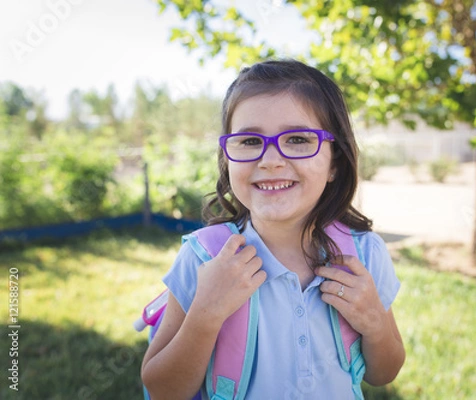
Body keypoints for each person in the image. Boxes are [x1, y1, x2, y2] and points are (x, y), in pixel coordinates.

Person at [141, 59, 406, 399]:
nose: (270, 160)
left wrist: (375, 324)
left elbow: (384, 373)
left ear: (334, 163)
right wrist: (205, 315)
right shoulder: (203, 258)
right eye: (249, 141)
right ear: (227, 158)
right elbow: (162, 390)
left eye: (297, 139)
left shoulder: (366, 254)